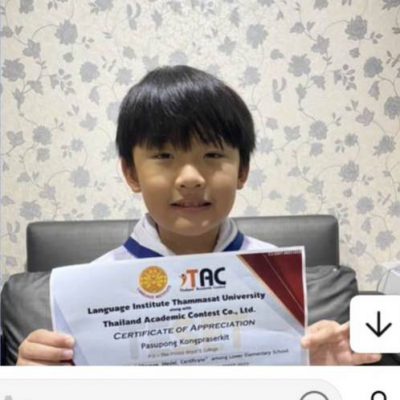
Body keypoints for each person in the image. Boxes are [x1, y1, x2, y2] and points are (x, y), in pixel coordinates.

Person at [17, 65, 381, 366]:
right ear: (131, 173)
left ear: (242, 171)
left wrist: (320, 370)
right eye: (164, 156)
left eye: (212, 156)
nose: (190, 178)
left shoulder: (278, 284)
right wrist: (29, 383)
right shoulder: (91, 294)